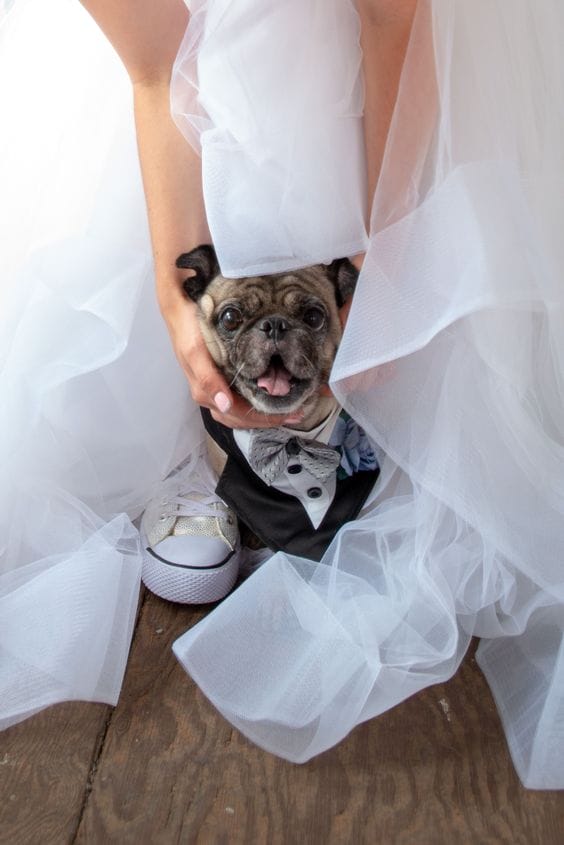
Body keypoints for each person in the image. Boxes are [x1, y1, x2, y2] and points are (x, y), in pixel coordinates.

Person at [1, 0, 563, 790]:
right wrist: (175, 294)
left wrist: (388, 264)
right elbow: (158, 66)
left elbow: (393, 21)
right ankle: (186, 451)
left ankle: (384, 420)